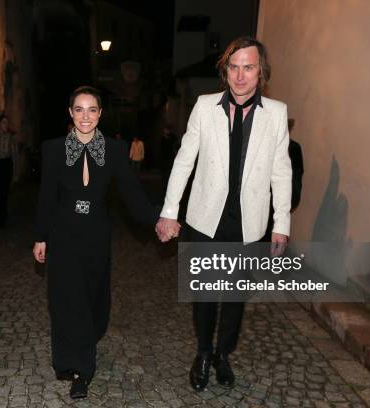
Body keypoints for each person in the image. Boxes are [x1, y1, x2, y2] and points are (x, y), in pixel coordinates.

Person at [155, 37, 292, 391]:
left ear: (261, 72)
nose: (241, 75)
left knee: (234, 297)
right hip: (205, 219)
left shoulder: (276, 113)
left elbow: (282, 171)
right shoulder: (204, 106)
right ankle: (202, 352)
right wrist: (170, 211)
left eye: (249, 67)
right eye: (234, 67)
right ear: (225, 71)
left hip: (248, 224)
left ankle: (223, 354)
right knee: (204, 294)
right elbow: (184, 160)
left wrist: (281, 224)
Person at [33, 86, 163, 399]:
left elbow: (131, 192)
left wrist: (158, 219)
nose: (85, 116)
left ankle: (77, 352)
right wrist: (40, 236)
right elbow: (47, 196)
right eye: (79, 109)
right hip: (63, 235)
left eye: (92, 109)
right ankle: (80, 369)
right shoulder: (53, 149)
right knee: (66, 300)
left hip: (95, 236)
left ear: (101, 113)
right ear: (70, 113)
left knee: (92, 299)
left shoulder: (117, 150)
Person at [159, 126, 178, 198]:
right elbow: (161, 149)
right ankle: (164, 190)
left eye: (167, 130)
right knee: (164, 177)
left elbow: (175, 139)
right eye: (165, 130)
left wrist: (170, 134)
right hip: (164, 160)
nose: (166, 132)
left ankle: (169, 189)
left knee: (169, 175)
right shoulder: (162, 139)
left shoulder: (171, 138)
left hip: (170, 160)